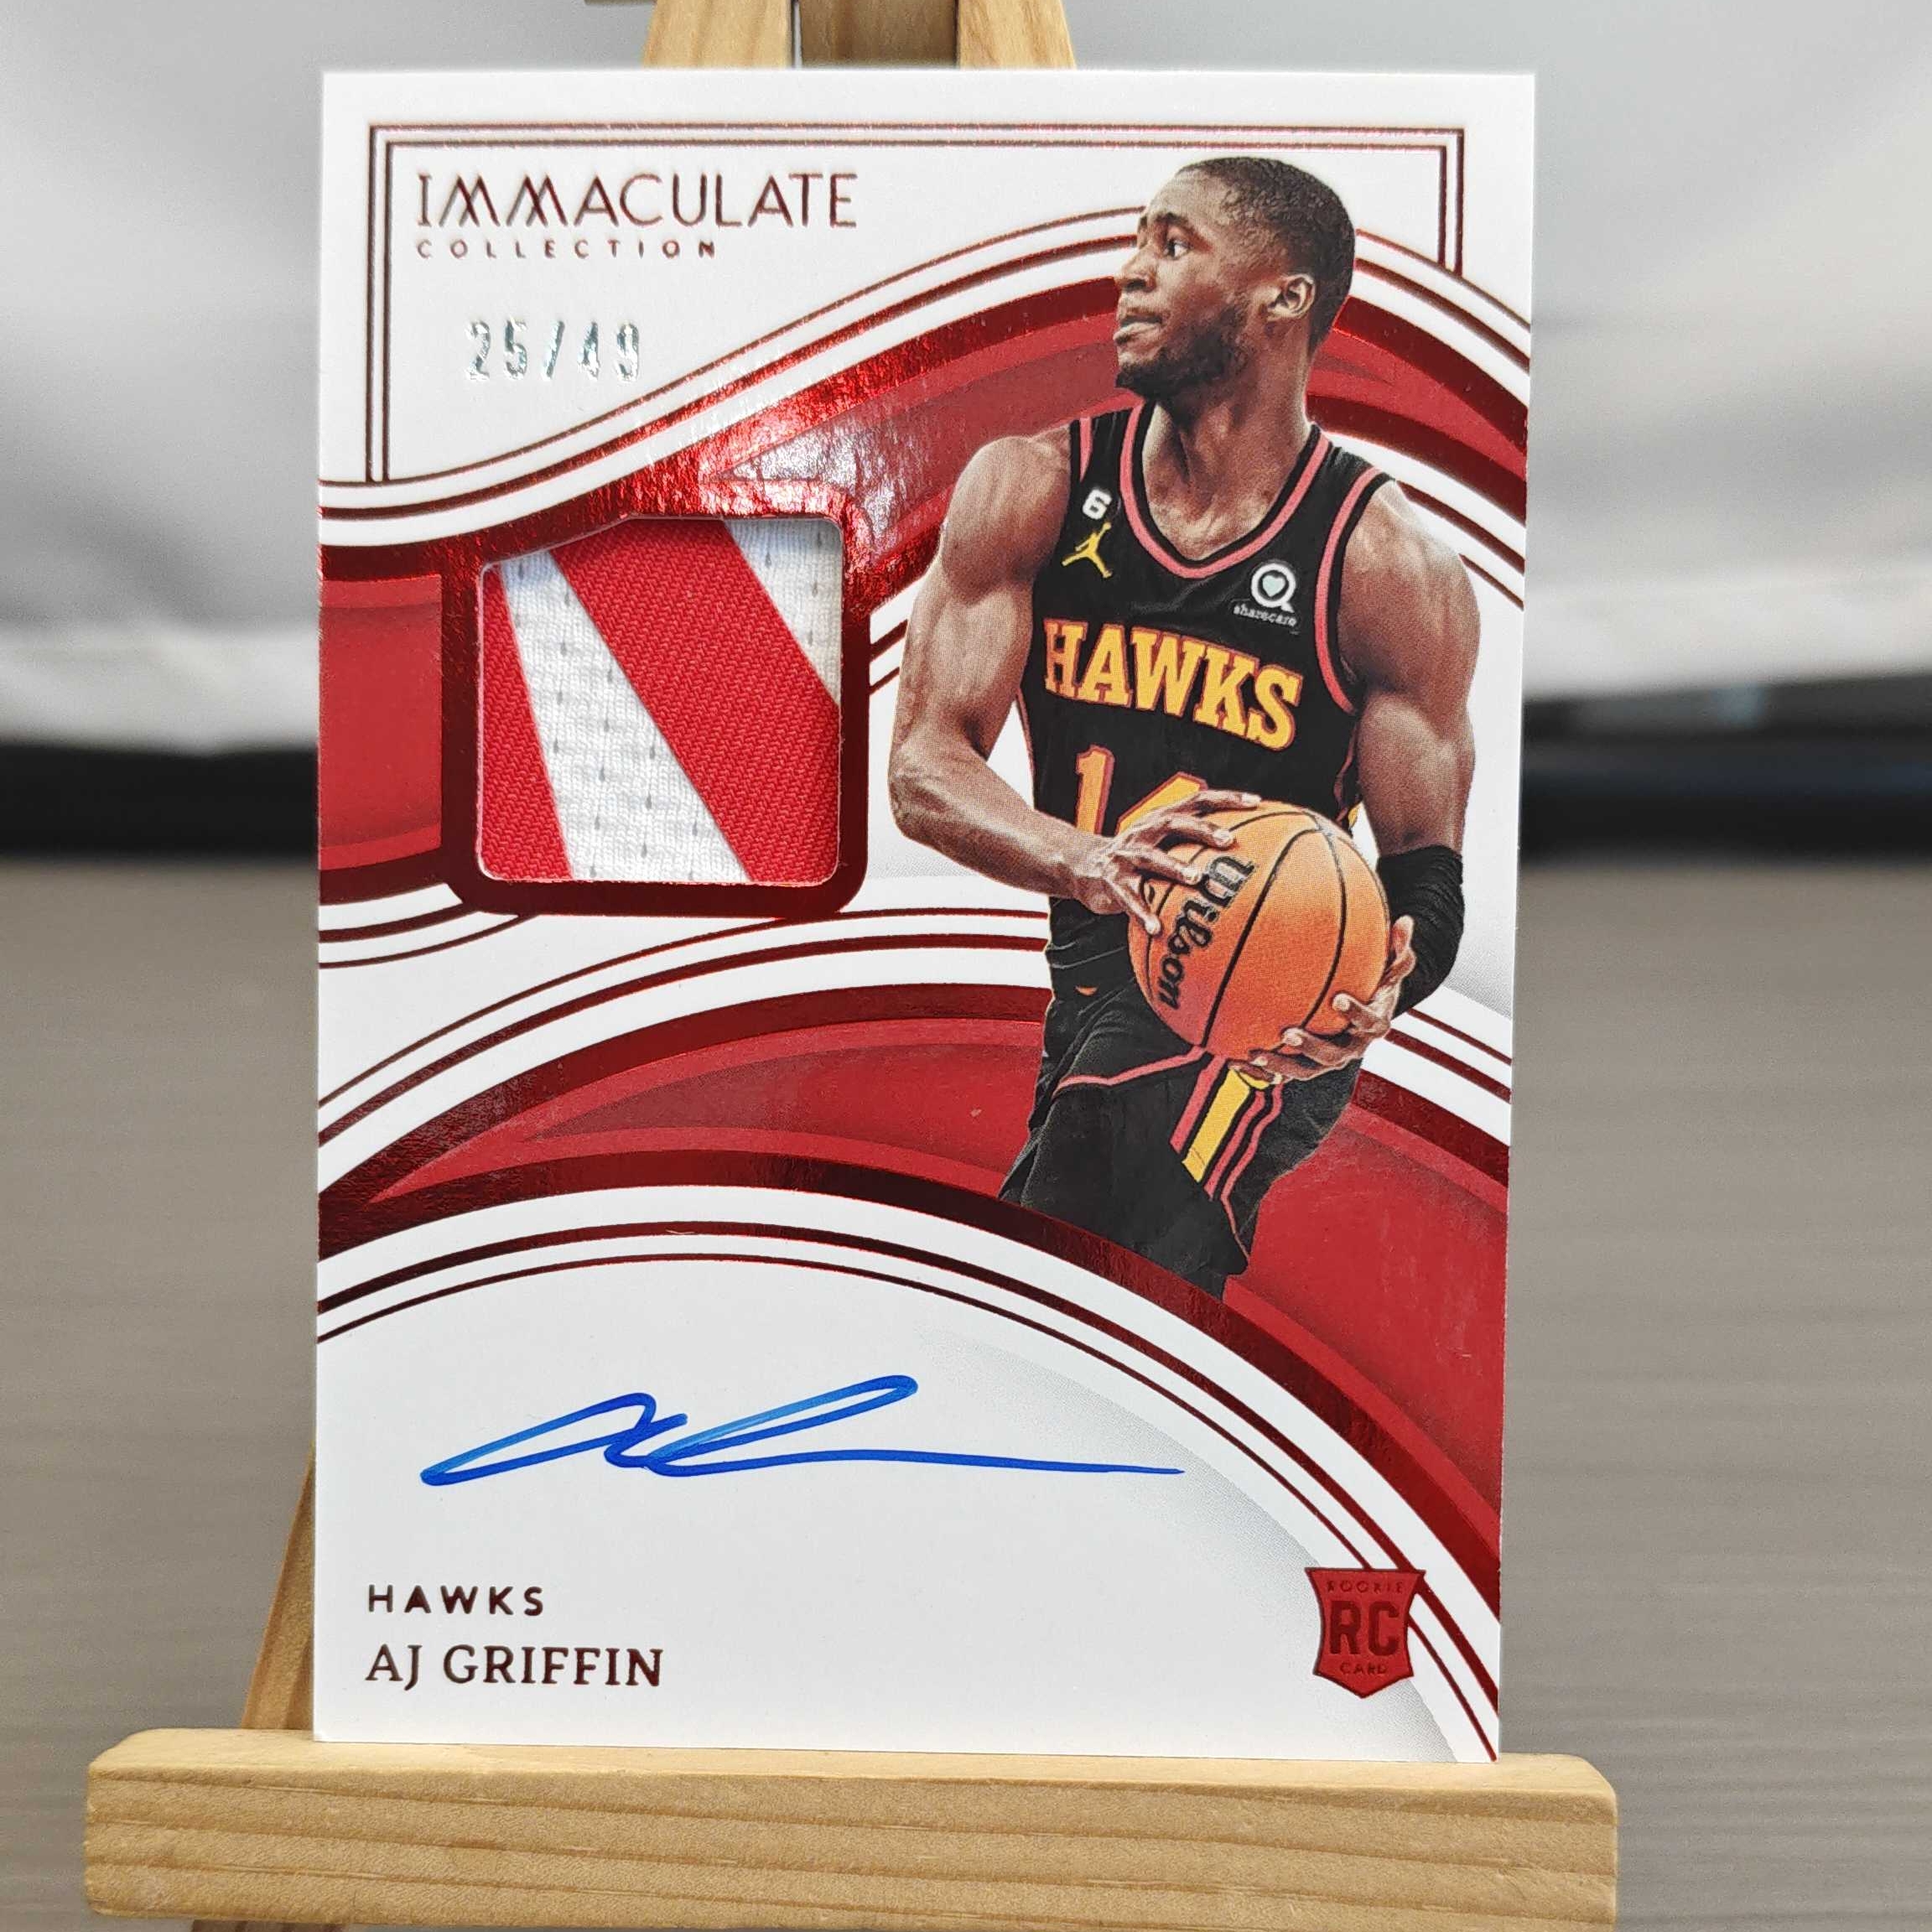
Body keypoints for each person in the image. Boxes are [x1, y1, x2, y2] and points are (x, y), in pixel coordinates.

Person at [889, 157, 1478, 1298]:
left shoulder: (1382, 562)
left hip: (1257, 1021)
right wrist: (1090, 861)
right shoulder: (1032, 487)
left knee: (1081, 1218)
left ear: (1283, 297)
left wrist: (1379, 991)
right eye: (1136, 240)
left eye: (1174, 245)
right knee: (1066, 1286)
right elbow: (924, 763)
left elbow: (1425, 870)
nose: (1131, 272)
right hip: (1095, 994)